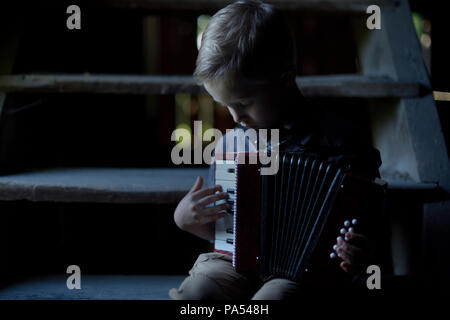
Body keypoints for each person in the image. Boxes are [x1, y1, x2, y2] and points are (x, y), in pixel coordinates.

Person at [169, 0, 384, 300]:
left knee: (275, 299)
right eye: (225, 106)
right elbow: (228, 230)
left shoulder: (343, 144)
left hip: (302, 273)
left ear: (284, 79)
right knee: (198, 290)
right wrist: (187, 219)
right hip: (235, 264)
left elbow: (369, 231)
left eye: (243, 103)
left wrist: (359, 250)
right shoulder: (231, 145)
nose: (235, 118)